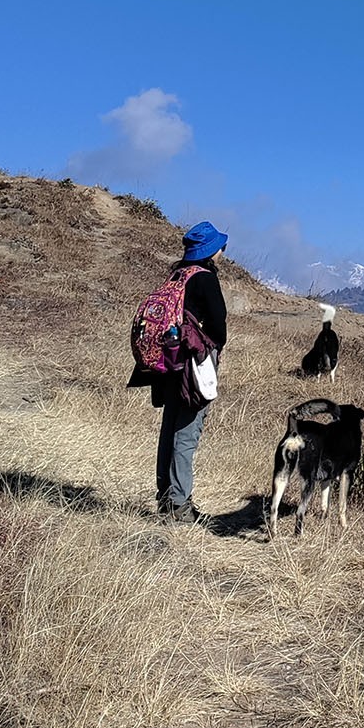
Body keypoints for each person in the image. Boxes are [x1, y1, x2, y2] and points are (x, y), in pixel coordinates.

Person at [129, 220, 229, 524]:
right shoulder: (205, 279)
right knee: (186, 434)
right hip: (191, 363)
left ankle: (166, 499)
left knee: (170, 429)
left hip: (168, 364)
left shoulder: (177, 274)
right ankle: (179, 506)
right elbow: (219, 326)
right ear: (212, 250)